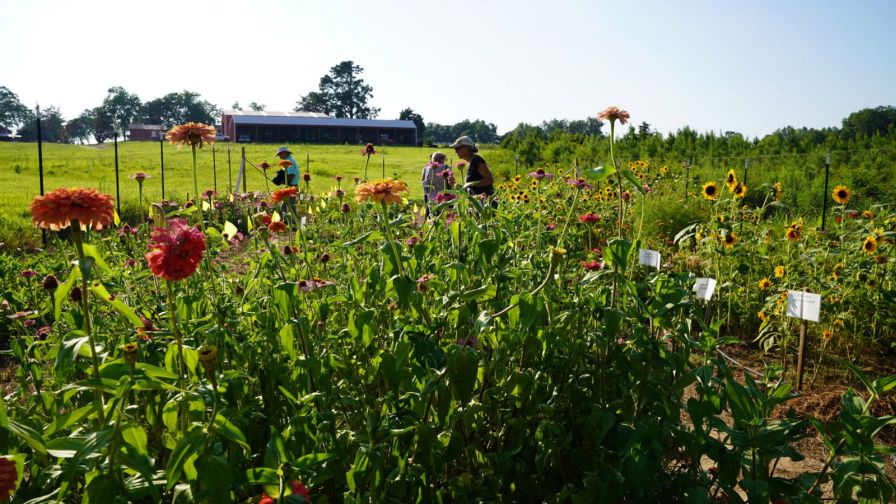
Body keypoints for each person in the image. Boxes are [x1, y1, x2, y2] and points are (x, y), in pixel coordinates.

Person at [449, 136, 496, 204]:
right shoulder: (471, 162)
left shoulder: (477, 160)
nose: (455, 152)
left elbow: (489, 179)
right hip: (478, 202)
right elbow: (470, 186)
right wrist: (455, 184)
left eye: (457, 148)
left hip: (486, 203)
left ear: (466, 148)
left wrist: (470, 185)